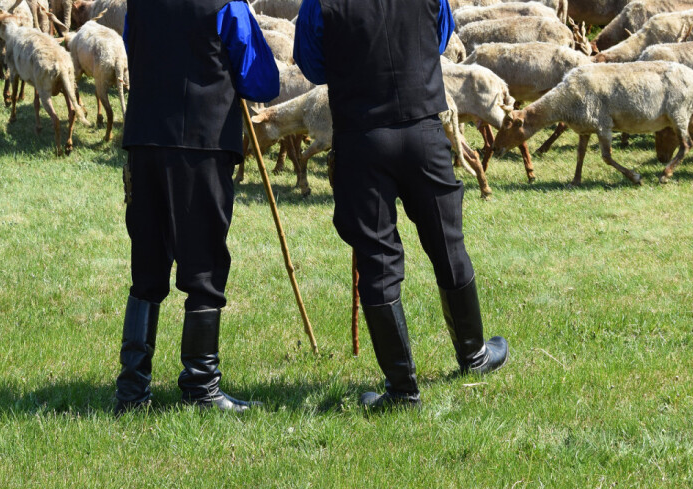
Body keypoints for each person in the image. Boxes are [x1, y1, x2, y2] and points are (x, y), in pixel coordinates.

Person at [294, 0, 509, 410]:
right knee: (447, 241)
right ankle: (474, 355)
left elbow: (313, 65)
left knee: (378, 258)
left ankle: (403, 390)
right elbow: (440, 39)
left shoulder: (319, 3)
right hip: (422, 127)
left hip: (362, 137)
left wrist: (353, 62)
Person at [114, 0, 279, 414]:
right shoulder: (227, 3)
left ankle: (133, 390)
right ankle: (201, 387)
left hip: (146, 139)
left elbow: (137, 51)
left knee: (147, 263)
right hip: (201, 144)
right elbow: (261, 80)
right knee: (203, 262)